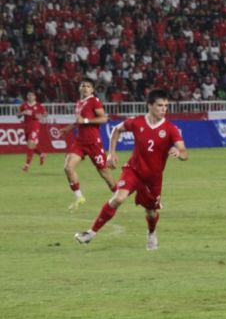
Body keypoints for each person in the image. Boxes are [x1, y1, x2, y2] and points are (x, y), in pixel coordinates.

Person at [74, 89, 188, 250]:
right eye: (160, 105)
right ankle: (90, 233)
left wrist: (178, 152)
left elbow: (184, 152)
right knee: (118, 198)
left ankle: (151, 233)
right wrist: (111, 153)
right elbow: (116, 130)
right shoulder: (136, 122)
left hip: (153, 178)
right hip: (133, 170)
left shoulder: (171, 129)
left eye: (166, 106)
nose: (164, 109)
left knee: (151, 212)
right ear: (150, 106)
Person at [61, 78, 117, 210]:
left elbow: (103, 118)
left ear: (92, 90)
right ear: (79, 88)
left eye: (88, 86)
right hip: (79, 141)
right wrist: (69, 128)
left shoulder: (94, 101)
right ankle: (79, 197)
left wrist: (85, 121)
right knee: (68, 168)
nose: (85, 88)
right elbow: (79, 121)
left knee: (103, 172)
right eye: (83, 86)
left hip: (93, 142)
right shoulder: (79, 103)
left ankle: (117, 194)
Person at [19, 91, 47, 172]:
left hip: (35, 127)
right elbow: (17, 115)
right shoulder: (23, 105)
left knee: (30, 144)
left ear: (35, 97)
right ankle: (42, 154)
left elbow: (45, 114)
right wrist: (22, 113)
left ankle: (26, 165)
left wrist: (40, 116)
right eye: (29, 95)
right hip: (26, 127)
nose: (30, 96)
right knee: (31, 146)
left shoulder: (39, 105)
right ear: (27, 97)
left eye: (32, 95)